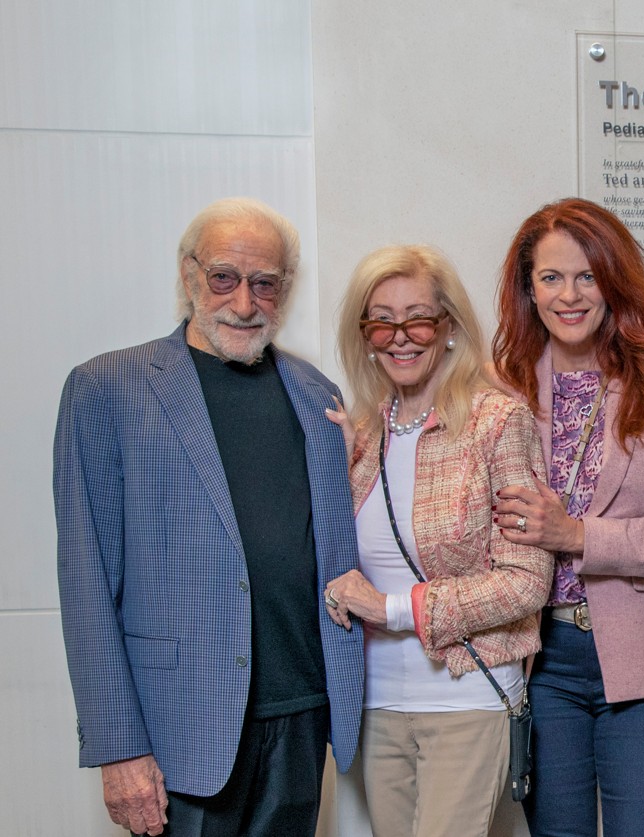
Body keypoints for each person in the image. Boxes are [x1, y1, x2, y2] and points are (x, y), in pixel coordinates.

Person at [54, 197, 363, 836]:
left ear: (286, 290)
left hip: (300, 721)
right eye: (224, 277)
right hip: (179, 732)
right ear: (189, 274)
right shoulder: (106, 389)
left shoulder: (318, 395)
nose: (244, 302)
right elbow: (87, 586)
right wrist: (119, 747)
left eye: (265, 284)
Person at [488, 197, 644, 837]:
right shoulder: (500, 384)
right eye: (551, 277)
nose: (570, 295)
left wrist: (578, 536)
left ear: (613, 280)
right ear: (527, 289)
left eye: (587, 275)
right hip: (539, 661)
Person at [321, 245, 553, 837]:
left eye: (418, 318)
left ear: (448, 327)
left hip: (465, 698)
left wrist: (395, 610)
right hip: (377, 705)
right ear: (365, 332)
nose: (400, 336)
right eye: (381, 320)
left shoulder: (497, 422)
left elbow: (526, 582)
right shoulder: (366, 430)